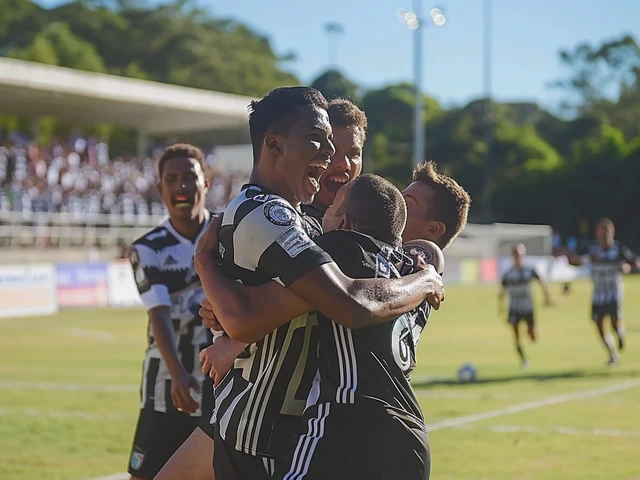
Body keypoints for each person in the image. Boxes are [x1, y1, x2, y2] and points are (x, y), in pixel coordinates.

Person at [194, 86, 444, 480]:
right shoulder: (269, 213)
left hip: (280, 429)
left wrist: (210, 276)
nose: (329, 155)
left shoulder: (305, 222)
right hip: (265, 434)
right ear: (274, 143)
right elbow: (347, 302)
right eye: (318, 140)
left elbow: (248, 313)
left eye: (339, 147)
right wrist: (424, 280)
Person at [126, 144, 214, 480]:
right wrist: (177, 373)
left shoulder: (229, 236)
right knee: (146, 475)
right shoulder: (148, 248)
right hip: (166, 385)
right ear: (161, 189)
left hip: (221, 384)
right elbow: (158, 314)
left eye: (189, 177)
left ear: (205, 182)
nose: (181, 187)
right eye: (171, 179)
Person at [564, 218, 640, 365]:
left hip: (613, 292)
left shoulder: (618, 250)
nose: (604, 235)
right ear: (597, 233)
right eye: (602, 232)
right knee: (599, 325)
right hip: (598, 294)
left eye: (607, 232)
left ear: (612, 233)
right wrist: (572, 258)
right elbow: (576, 261)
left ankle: (620, 333)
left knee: (614, 323)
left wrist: (627, 268)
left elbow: (636, 262)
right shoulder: (593, 251)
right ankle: (613, 354)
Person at [300, 98, 366, 222]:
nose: (344, 164)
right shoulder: (280, 219)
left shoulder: (370, 225)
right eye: (333, 150)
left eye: (353, 154)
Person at [499, 243, 551, 369]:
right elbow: (502, 291)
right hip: (514, 308)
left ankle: (532, 330)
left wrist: (547, 297)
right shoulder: (509, 273)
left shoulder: (530, 270)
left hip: (528, 308)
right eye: (516, 254)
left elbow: (542, 282)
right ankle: (523, 360)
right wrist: (501, 307)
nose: (518, 257)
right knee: (516, 335)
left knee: (533, 337)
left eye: (520, 254)